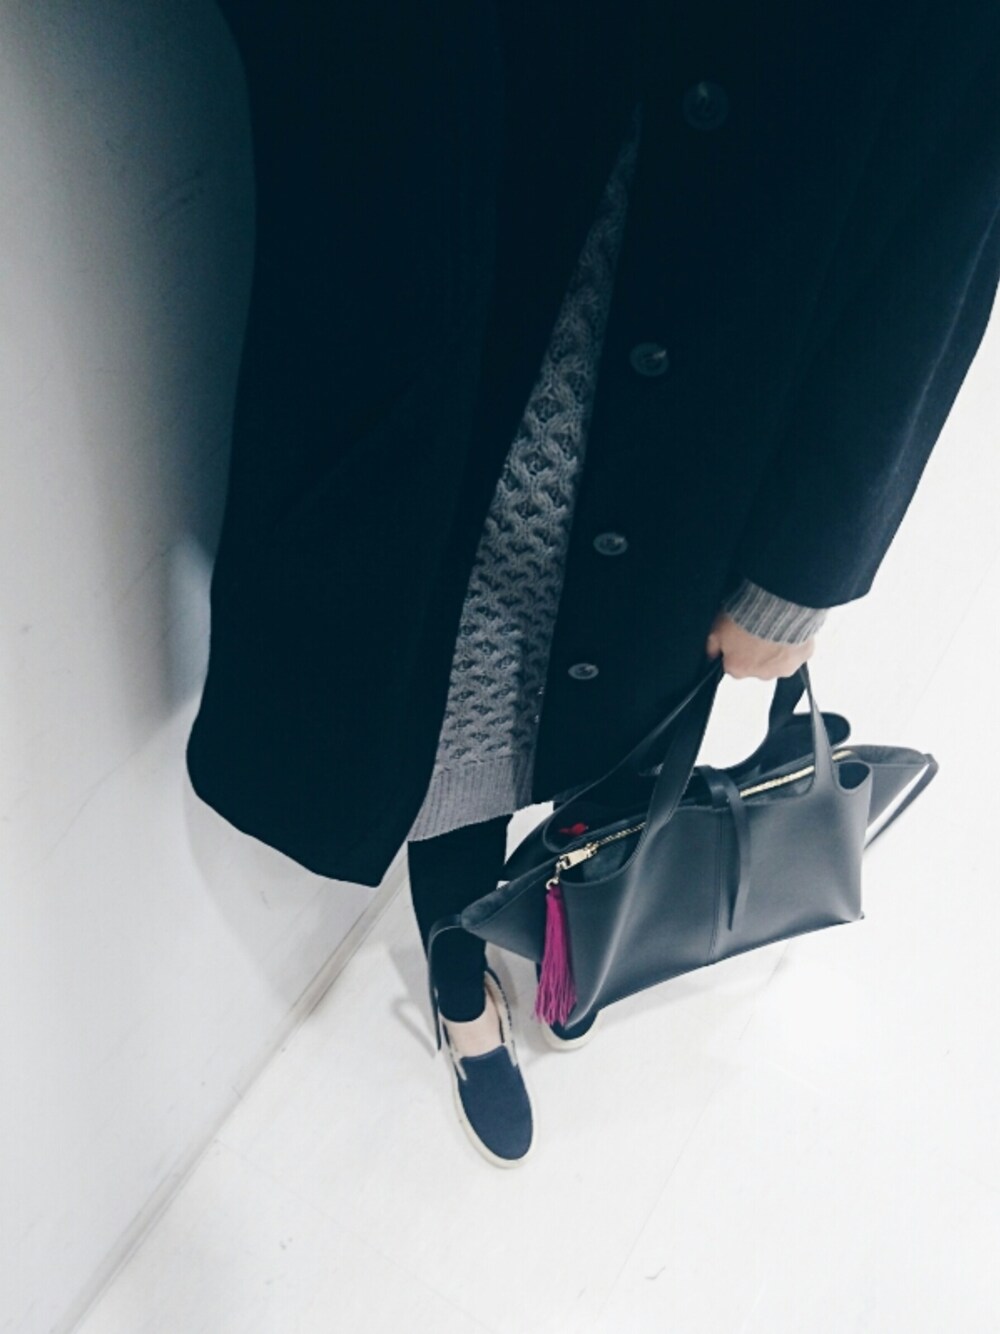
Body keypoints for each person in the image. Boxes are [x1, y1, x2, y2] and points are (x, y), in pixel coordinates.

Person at [192, 3, 1000, 1168]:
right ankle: (463, 976)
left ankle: (575, 927)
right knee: (448, 729)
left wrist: (810, 559)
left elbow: (958, 193)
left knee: (618, 723)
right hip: (467, 332)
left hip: (715, 411)